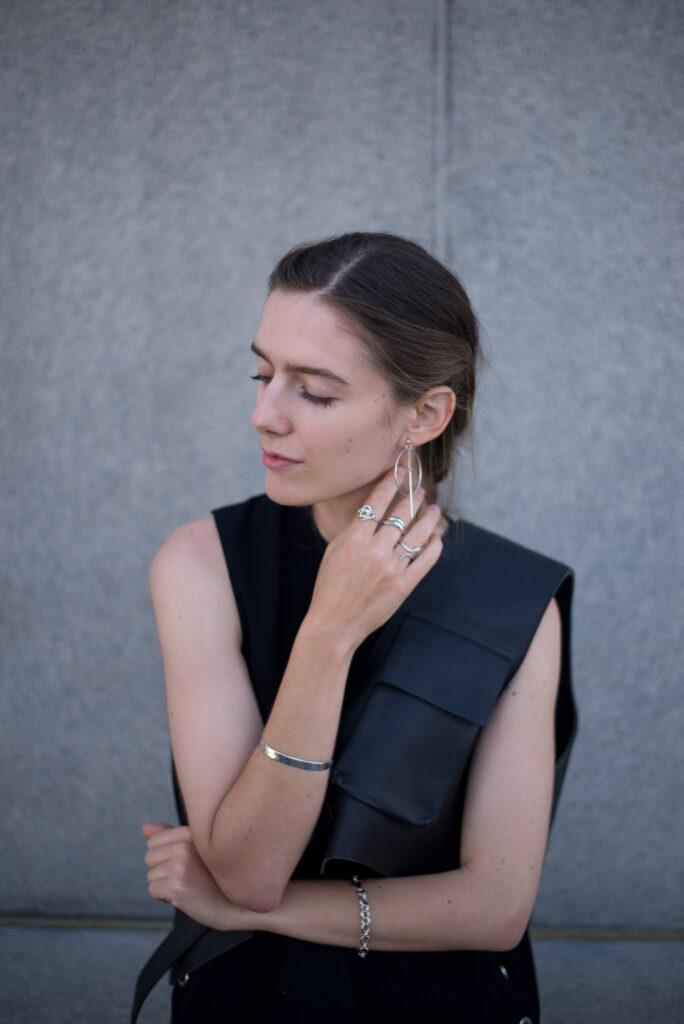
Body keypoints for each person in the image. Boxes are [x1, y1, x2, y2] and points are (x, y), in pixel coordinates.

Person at [132, 232, 575, 1024]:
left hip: (437, 998)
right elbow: (251, 867)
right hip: (248, 994)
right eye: (262, 373)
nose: (264, 415)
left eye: (316, 392)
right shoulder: (200, 568)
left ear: (425, 414)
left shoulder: (511, 601)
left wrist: (255, 910)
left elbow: (495, 906)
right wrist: (328, 632)